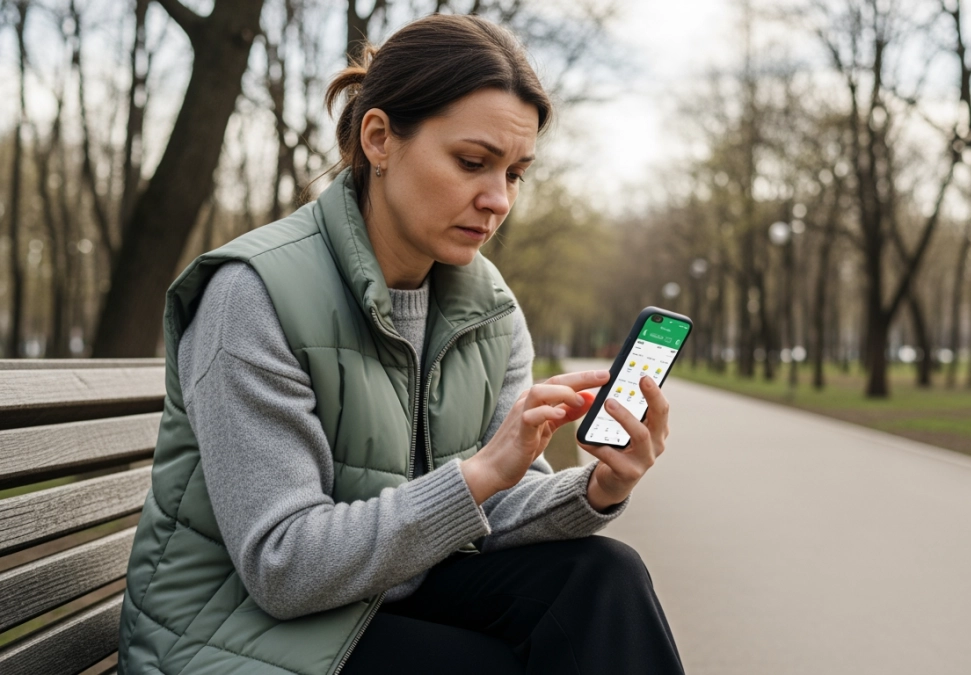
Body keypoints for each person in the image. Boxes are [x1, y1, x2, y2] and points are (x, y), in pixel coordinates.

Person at [117, 13, 685, 675]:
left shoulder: (488, 309)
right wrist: (478, 474)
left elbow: (496, 508)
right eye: (473, 162)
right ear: (380, 138)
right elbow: (282, 565)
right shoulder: (255, 292)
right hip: (237, 629)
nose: (498, 199)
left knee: (602, 576)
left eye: (515, 173)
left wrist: (594, 490)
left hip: (385, 595)